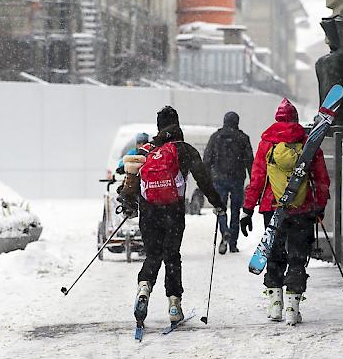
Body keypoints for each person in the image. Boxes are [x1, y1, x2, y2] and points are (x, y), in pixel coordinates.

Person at [119, 106, 226, 326]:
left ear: (158, 125)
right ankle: (174, 304)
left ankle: (144, 290)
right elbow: (203, 179)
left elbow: (130, 184)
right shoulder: (184, 149)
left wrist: (130, 205)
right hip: (173, 211)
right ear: (177, 124)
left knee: (152, 255)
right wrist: (218, 203)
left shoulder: (145, 151)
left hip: (149, 212)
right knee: (172, 256)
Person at [239, 98, 330, 325]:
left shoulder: (267, 143)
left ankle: (275, 304)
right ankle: (293, 305)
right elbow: (321, 178)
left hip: (273, 206)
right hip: (303, 207)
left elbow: (258, 178)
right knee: (298, 256)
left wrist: (248, 209)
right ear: (296, 119)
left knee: (274, 252)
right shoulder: (309, 142)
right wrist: (320, 205)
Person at [203, 111, 254, 254]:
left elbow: (207, 159)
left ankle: (224, 230)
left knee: (221, 208)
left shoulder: (216, 137)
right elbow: (250, 161)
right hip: (237, 179)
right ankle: (233, 243)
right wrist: (254, 179)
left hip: (219, 179)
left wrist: (206, 179)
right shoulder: (243, 138)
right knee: (236, 211)